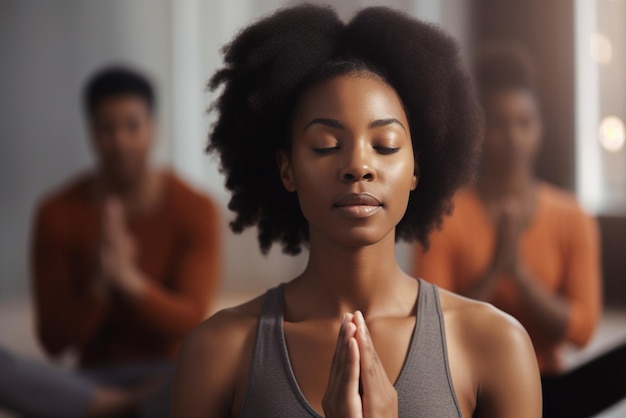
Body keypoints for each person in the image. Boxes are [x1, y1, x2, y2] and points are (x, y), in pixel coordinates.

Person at [172, 5, 542, 418]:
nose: (358, 166)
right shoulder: (217, 353)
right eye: (326, 145)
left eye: (384, 145)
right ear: (287, 168)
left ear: (417, 169)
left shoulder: (494, 345)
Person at [414, 44, 625, 417]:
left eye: (523, 123)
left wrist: (520, 275)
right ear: (480, 132)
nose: (512, 137)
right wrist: (495, 270)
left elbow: (581, 329)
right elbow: (430, 328)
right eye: (499, 123)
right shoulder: (444, 218)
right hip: (472, 394)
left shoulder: (572, 216)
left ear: (539, 129)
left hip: (551, 392)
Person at [27, 66, 221, 417]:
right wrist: (100, 286)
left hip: (166, 375)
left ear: (153, 129)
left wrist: (130, 281)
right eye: (106, 128)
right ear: (91, 133)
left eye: (132, 126)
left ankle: (119, 408)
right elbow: (53, 343)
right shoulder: (56, 213)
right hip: (90, 382)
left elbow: (193, 321)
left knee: (225, 371)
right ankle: (117, 406)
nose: (119, 141)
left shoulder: (195, 208)